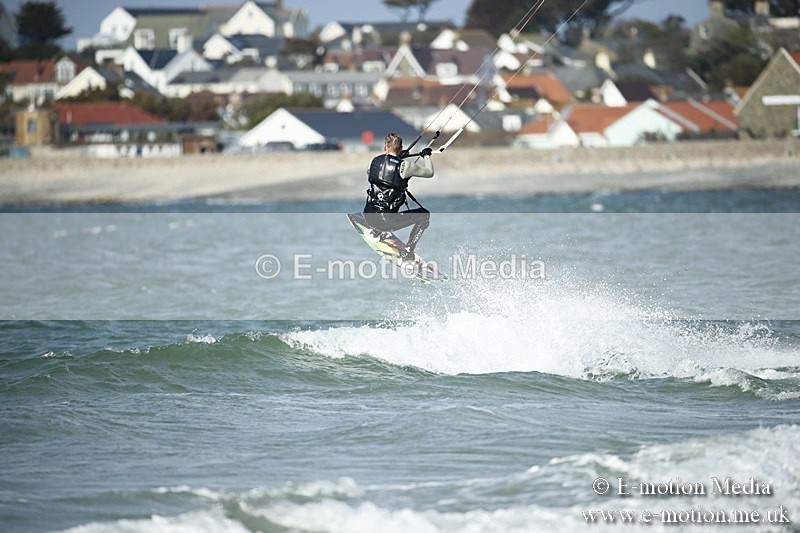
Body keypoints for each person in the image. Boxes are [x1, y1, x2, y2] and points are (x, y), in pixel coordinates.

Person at [363, 132, 434, 261]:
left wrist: (398, 158)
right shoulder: (406, 166)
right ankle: (408, 251)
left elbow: (377, 172)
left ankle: (376, 231)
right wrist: (426, 156)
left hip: (368, 216)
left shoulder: (375, 161)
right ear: (401, 148)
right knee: (424, 215)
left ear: (385, 147)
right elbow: (429, 172)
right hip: (386, 222)